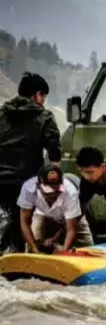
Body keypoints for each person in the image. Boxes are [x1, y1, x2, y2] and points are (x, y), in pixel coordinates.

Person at [0, 73, 63, 252]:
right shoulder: (43, 116)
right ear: (37, 94)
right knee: (21, 227)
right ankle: (18, 269)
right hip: (24, 182)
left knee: (7, 223)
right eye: (43, 96)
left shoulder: (2, 113)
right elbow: (54, 152)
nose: (43, 101)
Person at [17, 164, 93, 253]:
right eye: (48, 192)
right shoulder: (29, 188)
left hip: (71, 218)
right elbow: (25, 223)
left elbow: (71, 229)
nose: (53, 195)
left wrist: (64, 250)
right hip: (42, 214)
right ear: (38, 186)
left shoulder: (70, 192)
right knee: (33, 249)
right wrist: (34, 248)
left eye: (57, 191)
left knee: (87, 250)